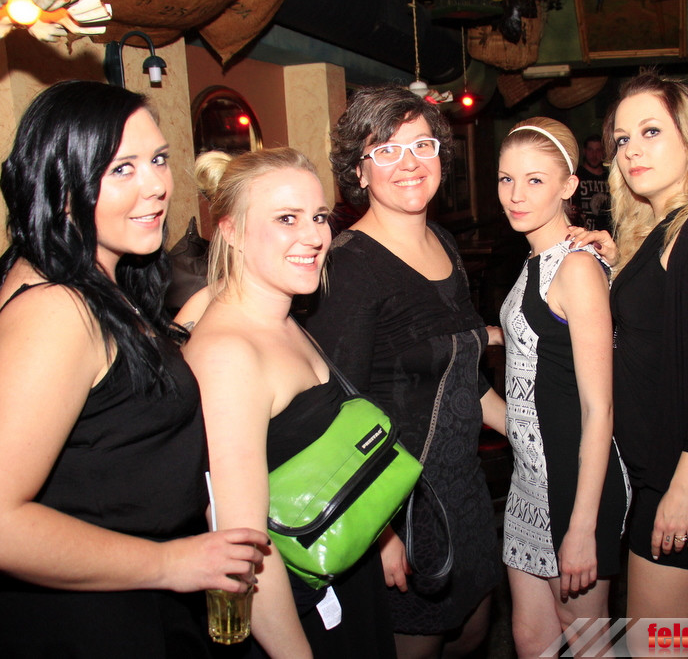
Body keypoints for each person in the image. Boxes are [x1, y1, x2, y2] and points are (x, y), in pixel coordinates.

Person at [0, 80, 265, 657]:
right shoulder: (56, 310)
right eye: (122, 169)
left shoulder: (94, 283)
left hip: (133, 603)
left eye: (158, 160)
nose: (156, 185)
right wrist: (171, 562)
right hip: (93, 623)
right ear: (61, 184)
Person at [304, 84, 504, 659]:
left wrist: (531, 433)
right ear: (359, 171)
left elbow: (462, 376)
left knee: (473, 635)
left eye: (421, 145)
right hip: (398, 502)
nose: (409, 163)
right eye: (386, 150)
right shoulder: (349, 265)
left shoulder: (443, 241)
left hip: (464, 489)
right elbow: (336, 413)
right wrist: (382, 530)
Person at [182, 148, 396, 658]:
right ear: (230, 231)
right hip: (293, 616)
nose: (315, 236)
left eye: (319, 216)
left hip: (342, 578)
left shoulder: (280, 316)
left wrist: (381, 532)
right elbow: (242, 543)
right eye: (286, 218)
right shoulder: (229, 355)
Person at [571, 72, 688, 621]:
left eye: (651, 131)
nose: (631, 150)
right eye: (623, 139)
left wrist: (684, 489)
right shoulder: (665, 229)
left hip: (683, 474)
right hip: (666, 468)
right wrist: (617, 264)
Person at [497, 117, 629, 657]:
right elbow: (534, 355)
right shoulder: (535, 259)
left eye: (534, 180)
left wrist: (582, 526)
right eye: (506, 179)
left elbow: (600, 409)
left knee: (587, 641)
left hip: (574, 481)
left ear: (568, 186)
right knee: (532, 639)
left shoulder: (575, 267)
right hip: (529, 479)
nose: (516, 195)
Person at [570, 135, 611, 231]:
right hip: (581, 233)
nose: (594, 155)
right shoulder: (575, 177)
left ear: (603, 152)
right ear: (584, 151)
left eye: (598, 150)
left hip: (606, 234)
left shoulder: (611, 178)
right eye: (590, 150)